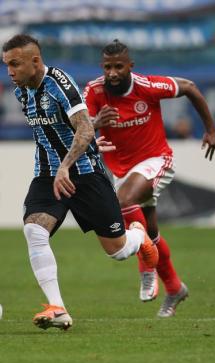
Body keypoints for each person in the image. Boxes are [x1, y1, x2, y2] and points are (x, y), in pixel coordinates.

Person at [2, 34, 159, 330]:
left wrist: (67, 164)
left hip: (86, 174)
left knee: (118, 250)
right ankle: (58, 308)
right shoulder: (21, 91)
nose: (9, 71)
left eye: (15, 64)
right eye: (6, 64)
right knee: (34, 229)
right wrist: (59, 166)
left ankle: (139, 235)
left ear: (35, 61)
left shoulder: (60, 82)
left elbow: (84, 128)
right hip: (48, 174)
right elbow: (71, 125)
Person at [84, 39, 215, 317]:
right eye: (108, 67)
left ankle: (146, 265)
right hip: (120, 169)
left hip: (155, 159)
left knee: (124, 202)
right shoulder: (94, 90)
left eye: (118, 67)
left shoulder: (147, 86)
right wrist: (96, 123)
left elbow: (190, 88)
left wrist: (210, 130)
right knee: (152, 231)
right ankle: (174, 287)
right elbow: (80, 126)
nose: (112, 73)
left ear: (130, 67)